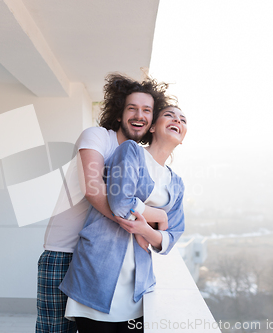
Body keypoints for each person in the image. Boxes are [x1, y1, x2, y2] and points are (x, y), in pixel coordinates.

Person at [36, 73, 170, 333]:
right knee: (53, 331)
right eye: (132, 108)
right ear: (119, 114)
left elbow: (148, 207)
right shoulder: (97, 137)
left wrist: (147, 223)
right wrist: (135, 221)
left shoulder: (138, 157)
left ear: (152, 120)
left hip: (100, 260)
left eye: (146, 110)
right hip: (64, 251)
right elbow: (93, 189)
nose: (139, 115)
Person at [59, 104, 188, 333]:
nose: (177, 120)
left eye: (182, 119)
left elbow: (171, 237)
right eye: (169, 115)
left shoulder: (176, 183)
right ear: (152, 128)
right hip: (97, 276)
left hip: (138, 288)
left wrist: (146, 231)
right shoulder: (130, 152)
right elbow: (119, 202)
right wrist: (158, 216)